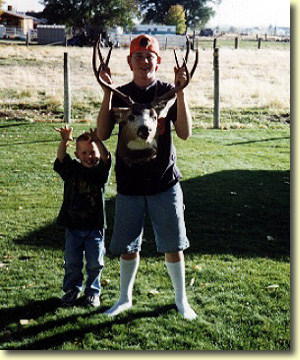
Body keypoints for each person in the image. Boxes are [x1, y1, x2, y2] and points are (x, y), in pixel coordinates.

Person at [97, 34, 197, 320]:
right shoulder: (119, 92)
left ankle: (181, 301)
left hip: (164, 182)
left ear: (158, 60)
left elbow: (185, 133)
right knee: (128, 247)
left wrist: (181, 92)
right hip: (129, 183)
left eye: (149, 56)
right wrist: (106, 92)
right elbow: (103, 134)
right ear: (129, 61)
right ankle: (124, 299)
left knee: (173, 245)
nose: (144, 61)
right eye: (138, 57)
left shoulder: (167, 90)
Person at [53, 125, 111, 307]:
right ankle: (72, 290)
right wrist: (64, 141)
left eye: (92, 152)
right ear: (77, 155)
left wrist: (98, 141)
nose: (89, 156)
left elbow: (107, 158)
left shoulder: (100, 172)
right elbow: (61, 158)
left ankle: (93, 293)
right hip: (73, 226)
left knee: (95, 263)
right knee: (72, 262)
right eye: (84, 153)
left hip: (94, 227)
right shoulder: (71, 170)